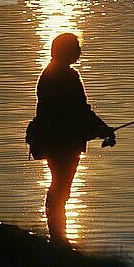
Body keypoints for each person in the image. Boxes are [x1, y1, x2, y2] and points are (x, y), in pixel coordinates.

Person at [35, 33, 115, 243]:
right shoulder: (64, 76)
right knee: (61, 186)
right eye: (76, 47)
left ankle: (58, 236)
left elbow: (79, 111)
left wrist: (101, 128)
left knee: (60, 186)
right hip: (62, 142)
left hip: (59, 141)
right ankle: (59, 238)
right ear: (65, 51)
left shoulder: (53, 73)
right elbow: (77, 111)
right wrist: (99, 128)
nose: (79, 51)